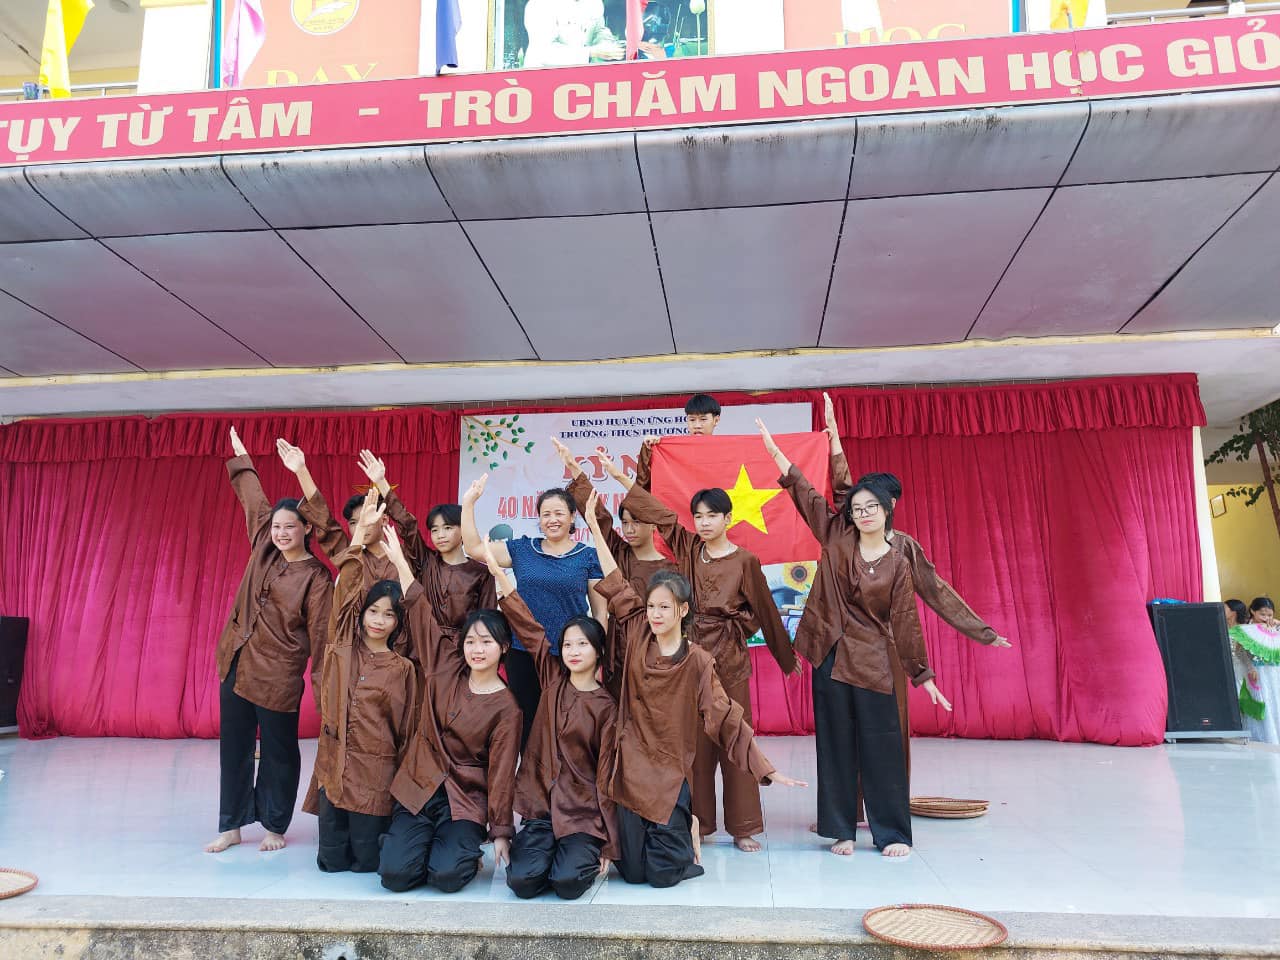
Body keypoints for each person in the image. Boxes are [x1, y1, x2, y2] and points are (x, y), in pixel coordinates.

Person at [758, 417, 1010, 858]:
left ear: (888, 508)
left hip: (874, 659)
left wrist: (930, 669)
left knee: (883, 746)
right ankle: (840, 829)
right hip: (830, 653)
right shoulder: (837, 534)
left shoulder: (900, 555)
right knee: (835, 747)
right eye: (857, 508)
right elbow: (807, 492)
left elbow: (913, 613)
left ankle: (891, 832)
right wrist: (777, 452)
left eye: (871, 507)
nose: (862, 513)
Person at [582, 490, 807, 887]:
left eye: (664, 607)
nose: (656, 614)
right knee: (632, 872)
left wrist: (766, 767)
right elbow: (613, 576)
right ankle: (678, 828)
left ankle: (688, 828)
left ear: (683, 610)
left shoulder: (697, 660)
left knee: (663, 875)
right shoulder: (637, 631)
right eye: (652, 606)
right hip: (635, 771)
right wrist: (593, 526)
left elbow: (727, 718)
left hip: (669, 776)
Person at [206, 427, 333, 855]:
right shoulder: (264, 545)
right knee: (234, 748)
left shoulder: (317, 577)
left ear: (305, 528)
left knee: (279, 753)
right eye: (276, 526)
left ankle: (275, 825)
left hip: (278, 677)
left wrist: (324, 694)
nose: (280, 532)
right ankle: (231, 826)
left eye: (289, 527)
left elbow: (321, 639)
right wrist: (243, 457)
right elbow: (253, 498)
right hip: (237, 663)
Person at [376, 522, 522, 894]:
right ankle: (421, 845)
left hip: (465, 799)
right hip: (420, 786)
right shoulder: (444, 665)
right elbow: (421, 609)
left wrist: (501, 831)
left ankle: (460, 852)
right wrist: (399, 561)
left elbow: (502, 775)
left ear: (503, 648)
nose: (477, 649)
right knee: (395, 876)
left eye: (486, 642)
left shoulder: (508, 708)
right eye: (471, 641)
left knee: (446, 877)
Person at [476, 539, 619, 900]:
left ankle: (572, 854)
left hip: (583, 814)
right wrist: (500, 575)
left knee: (568, 884)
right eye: (568, 644)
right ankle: (547, 850)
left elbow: (607, 777)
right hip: (542, 810)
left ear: (598, 650)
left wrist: (609, 842)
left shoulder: (606, 706)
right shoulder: (552, 680)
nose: (573, 651)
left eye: (582, 644)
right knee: (522, 883)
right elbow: (526, 624)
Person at [302, 491, 418, 873]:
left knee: (367, 864)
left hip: (374, 780)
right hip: (335, 774)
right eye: (373, 611)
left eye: (389, 614)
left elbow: (406, 733)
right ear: (362, 613)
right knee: (331, 863)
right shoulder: (341, 649)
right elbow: (346, 590)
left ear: (398, 622)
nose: (379, 620)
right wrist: (357, 538)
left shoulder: (403, 668)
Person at [461, 474, 605, 747]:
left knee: (566, 722)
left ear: (572, 516)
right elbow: (474, 548)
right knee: (526, 721)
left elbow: (599, 614)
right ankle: (530, 772)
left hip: (569, 653)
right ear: (538, 518)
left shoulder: (588, 556)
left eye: (559, 513)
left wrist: (598, 659)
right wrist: (469, 504)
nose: (552, 519)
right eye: (545, 514)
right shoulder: (523, 549)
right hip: (522, 650)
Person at [552, 437, 675, 697]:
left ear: (653, 523)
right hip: (618, 649)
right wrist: (574, 467)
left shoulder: (671, 569)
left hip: (654, 650)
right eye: (625, 522)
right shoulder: (618, 552)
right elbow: (599, 517)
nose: (629, 529)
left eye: (637, 522)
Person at [634, 393, 722, 489]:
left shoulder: (724, 451)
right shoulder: (673, 451)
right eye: (692, 420)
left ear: (716, 420)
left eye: (703, 419)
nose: (697, 425)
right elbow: (644, 483)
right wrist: (648, 450)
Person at [523, 0, 624, 68]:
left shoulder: (594, 2)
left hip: (581, 79)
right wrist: (591, 52)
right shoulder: (539, 5)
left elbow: (599, 29)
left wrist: (607, 43)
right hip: (542, 77)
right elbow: (543, 52)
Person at [1235, 597, 1280, 744]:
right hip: (1257, 673)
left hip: (1274, 673)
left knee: (1276, 701)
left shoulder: (1275, 628)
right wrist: (1250, 667)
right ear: (1253, 611)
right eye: (1262, 614)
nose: (1266, 618)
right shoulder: (1246, 630)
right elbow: (1239, 652)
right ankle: (1263, 738)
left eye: (1270, 615)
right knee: (1261, 701)